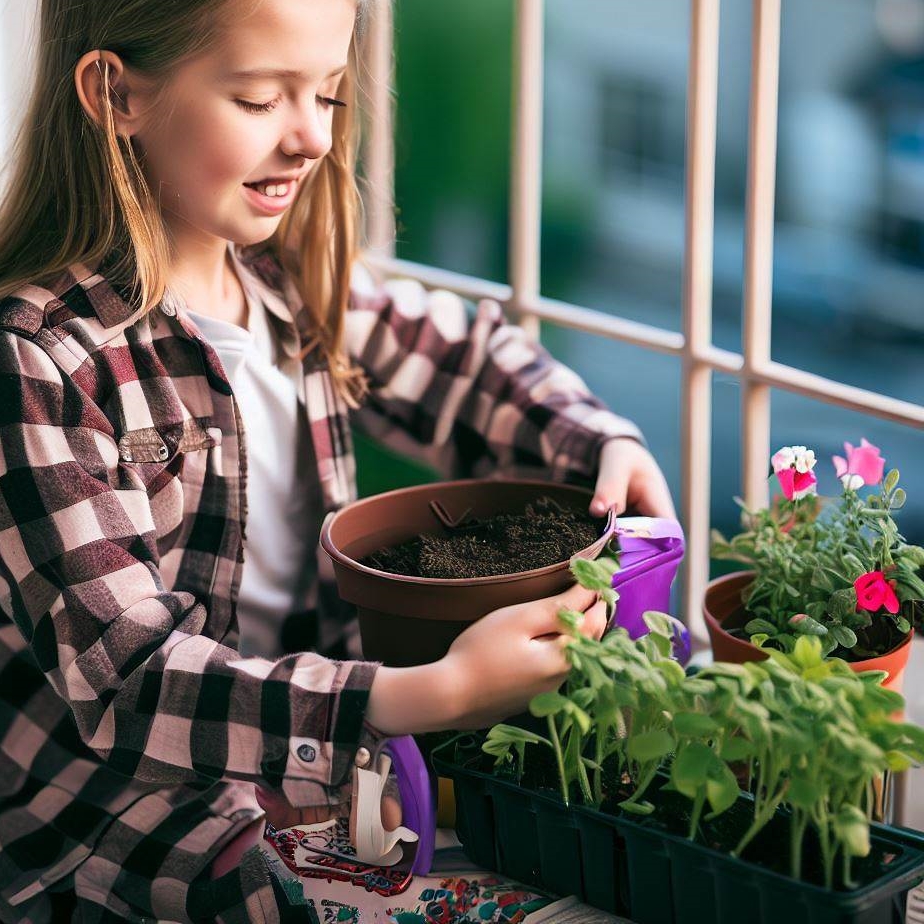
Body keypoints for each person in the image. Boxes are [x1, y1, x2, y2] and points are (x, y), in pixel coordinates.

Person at [0, 0, 675, 920]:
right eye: (258, 100)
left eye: (329, 96)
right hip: (102, 808)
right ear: (115, 92)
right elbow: (130, 679)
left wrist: (600, 439)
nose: (313, 137)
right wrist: (432, 691)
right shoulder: (39, 364)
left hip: (318, 740)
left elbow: (469, 360)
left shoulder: (287, 278)